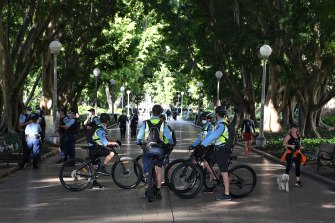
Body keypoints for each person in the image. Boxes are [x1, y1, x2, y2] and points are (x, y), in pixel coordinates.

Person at [137, 105, 173, 199]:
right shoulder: (163, 123)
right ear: (160, 113)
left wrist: (139, 142)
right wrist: (170, 144)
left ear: (152, 112)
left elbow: (139, 137)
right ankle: (158, 191)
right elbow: (168, 137)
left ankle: (146, 186)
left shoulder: (146, 123)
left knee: (146, 167)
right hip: (159, 149)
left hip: (148, 149)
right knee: (158, 169)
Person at [199, 106, 232, 201]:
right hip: (217, 150)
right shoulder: (219, 124)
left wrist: (203, 144)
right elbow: (215, 138)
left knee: (224, 172)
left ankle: (227, 194)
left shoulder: (222, 125)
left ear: (217, 114)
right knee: (206, 162)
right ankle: (213, 177)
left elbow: (214, 136)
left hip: (222, 151)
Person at [89, 113, 120, 189]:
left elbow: (105, 138)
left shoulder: (99, 127)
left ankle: (94, 183)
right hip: (95, 148)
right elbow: (105, 143)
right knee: (111, 153)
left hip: (93, 147)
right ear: (107, 121)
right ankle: (102, 168)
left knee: (95, 166)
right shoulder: (100, 129)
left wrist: (115, 141)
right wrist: (115, 143)